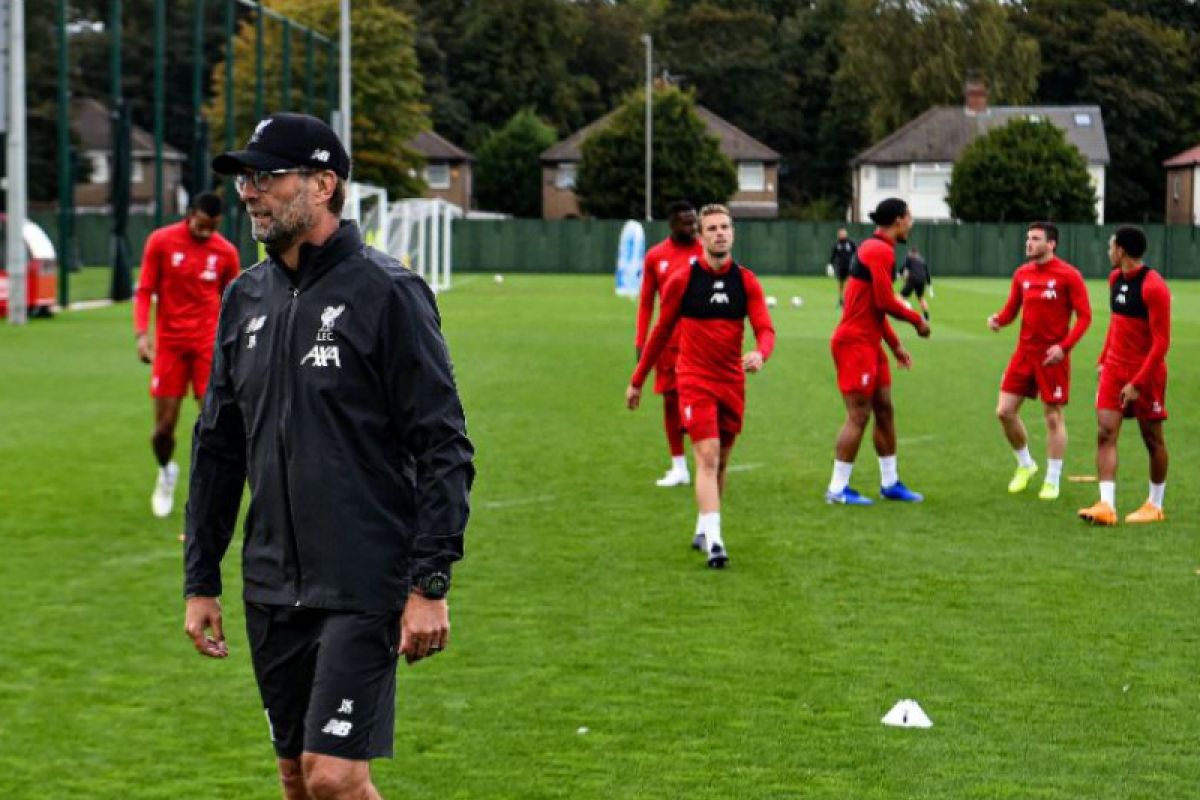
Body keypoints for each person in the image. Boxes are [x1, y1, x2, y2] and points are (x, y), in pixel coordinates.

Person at [183, 112, 474, 800]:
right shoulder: (244, 297)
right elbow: (218, 448)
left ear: (323, 184)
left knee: (336, 778)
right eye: (245, 179)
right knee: (295, 779)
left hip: (363, 580)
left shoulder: (388, 291)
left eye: (266, 177)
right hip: (271, 584)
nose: (250, 192)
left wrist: (430, 582)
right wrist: (201, 580)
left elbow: (444, 445)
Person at [625, 204, 775, 568]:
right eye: (712, 228)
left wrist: (760, 353)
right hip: (693, 379)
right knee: (706, 456)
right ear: (702, 236)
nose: (719, 233)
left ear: (733, 233)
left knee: (720, 462)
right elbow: (660, 332)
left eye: (725, 227)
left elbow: (765, 329)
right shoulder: (683, 281)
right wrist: (637, 380)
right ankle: (716, 541)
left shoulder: (747, 282)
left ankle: (703, 524)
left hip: (731, 382)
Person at [133, 192, 240, 518]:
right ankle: (166, 471)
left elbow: (235, 302)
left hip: (208, 347)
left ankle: (208, 493)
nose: (207, 232)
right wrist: (141, 334)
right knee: (163, 428)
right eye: (202, 225)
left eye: (214, 227)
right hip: (170, 347)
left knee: (213, 423)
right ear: (190, 214)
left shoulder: (226, 252)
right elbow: (145, 290)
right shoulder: (161, 241)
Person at [825, 198, 930, 506]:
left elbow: (874, 308)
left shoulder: (878, 248)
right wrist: (917, 321)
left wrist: (895, 345)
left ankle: (890, 482)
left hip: (869, 341)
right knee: (859, 414)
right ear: (899, 220)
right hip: (855, 343)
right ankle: (837, 488)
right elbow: (885, 301)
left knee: (884, 407)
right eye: (910, 217)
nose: (911, 222)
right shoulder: (879, 250)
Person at [987, 222, 1090, 501]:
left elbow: (1085, 317)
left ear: (1051, 244)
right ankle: (1026, 465)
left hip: (1052, 357)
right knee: (1004, 411)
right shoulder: (1022, 274)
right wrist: (998, 319)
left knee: (1053, 418)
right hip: (1024, 353)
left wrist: (1064, 348)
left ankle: (1052, 479)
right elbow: (1011, 310)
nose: (1029, 243)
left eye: (1035, 239)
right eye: (1027, 238)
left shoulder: (1069, 275)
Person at [1078, 226, 1171, 526]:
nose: (1108, 252)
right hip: (1115, 370)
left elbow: (1161, 343)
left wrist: (1137, 383)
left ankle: (1155, 504)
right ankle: (1107, 505)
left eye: (1111, 247)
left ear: (1121, 251)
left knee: (1152, 439)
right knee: (1105, 432)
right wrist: (1104, 359)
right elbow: (1117, 323)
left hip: (1146, 374)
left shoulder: (1154, 287)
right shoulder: (1115, 278)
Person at [635, 200, 703, 487]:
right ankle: (679, 467)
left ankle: (705, 461)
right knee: (670, 403)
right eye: (686, 222)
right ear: (672, 224)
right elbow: (646, 303)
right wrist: (641, 342)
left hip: (700, 343)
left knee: (699, 402)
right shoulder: (655, 256)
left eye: (694, 221)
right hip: (667, 344)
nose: (691, 227)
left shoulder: (706, 252)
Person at [899, 246, 932, 320]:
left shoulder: (909, 258)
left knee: (900, 297)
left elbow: (904, 268)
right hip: (922, 280)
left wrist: (899, 274)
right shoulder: (922, 260)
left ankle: (908, 308)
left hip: (913, 279)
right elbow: (927, 274)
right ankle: (926, 316)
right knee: (921, 298)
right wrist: (929, 285)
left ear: (911, 253)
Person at [828, 227, 857, 307]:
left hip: (850, 267)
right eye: (841, 233)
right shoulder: (836, 244)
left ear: (846, 233)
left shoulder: (851, 243)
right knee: (841, 283)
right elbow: (832, 256)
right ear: (838, 234)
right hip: (840, 267)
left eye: (843, 232)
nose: (842, 234)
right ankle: (841, 300)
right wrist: (830, 265)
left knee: (850, 283)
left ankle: (849, 300)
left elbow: (857, 253)